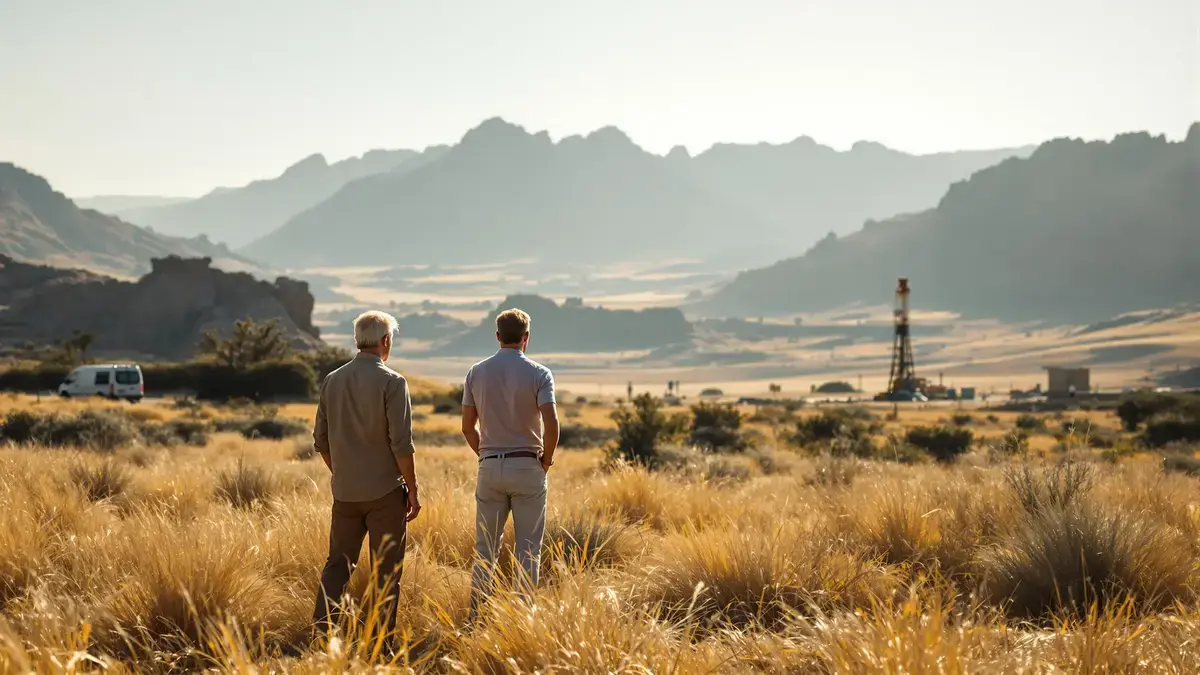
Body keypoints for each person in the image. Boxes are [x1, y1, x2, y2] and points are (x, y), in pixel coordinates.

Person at [311, 310, 421, 644]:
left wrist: (343, 472)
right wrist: (412, 489)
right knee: (385, 572)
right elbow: (401, 444)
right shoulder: (393, 382)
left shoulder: (332, 380)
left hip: (345, 492)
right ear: (385, 341)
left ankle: (322, 637)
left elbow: (321, 441)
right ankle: (380, 644)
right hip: (385, 493)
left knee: (337, 566)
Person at [460, 308, 559, 619]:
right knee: (529, 551)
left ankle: (476, 618)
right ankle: (523, 621)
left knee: (485, 549)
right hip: (528, 465)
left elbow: (466, 426)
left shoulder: (476, 372)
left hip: (490, 465)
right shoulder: (540, 374)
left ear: (498, 336)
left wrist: (485, 454)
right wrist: (546, 460)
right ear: (526, 338)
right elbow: (552, 424)